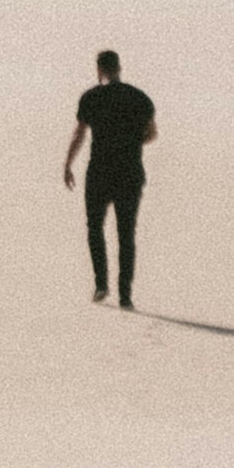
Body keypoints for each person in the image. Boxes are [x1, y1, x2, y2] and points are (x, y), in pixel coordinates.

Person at [63, 50, 158, 306]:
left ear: (99, 69)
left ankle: (101, 284)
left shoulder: (91, 98)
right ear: (119, 67)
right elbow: (152, 134)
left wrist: (68, 163)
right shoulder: (140, 99)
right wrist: (130, 141)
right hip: (130, 171)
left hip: (100, 172)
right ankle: (125, 295)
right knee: (126, 233)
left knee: (95, 227)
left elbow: (79, 134)